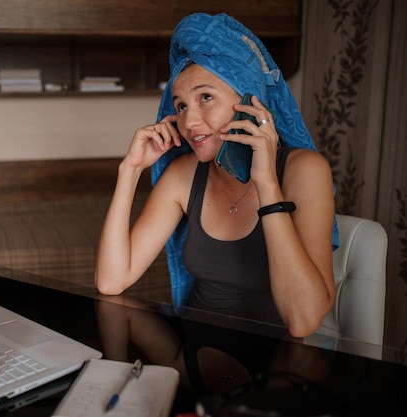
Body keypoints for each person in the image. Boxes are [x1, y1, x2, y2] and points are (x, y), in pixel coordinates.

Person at [95, 13, 337, 339]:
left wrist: (266, 182)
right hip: (193, 359)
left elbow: (303, 320)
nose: (190, 121)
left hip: (272, 373)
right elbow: (112, 281)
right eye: (180, 105)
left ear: (250, 101)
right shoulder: (184, 176)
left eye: (205, 97)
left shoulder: (304, 171)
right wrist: (131, 169)